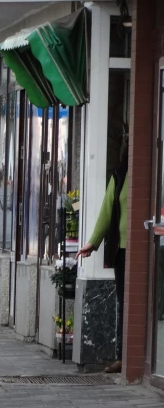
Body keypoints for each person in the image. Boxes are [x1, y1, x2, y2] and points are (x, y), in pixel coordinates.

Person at [77, 144, 129, 373]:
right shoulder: (119, 176)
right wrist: (93, 242)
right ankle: (123, 356)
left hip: (155, 249)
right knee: (124, 304)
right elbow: (107, 210)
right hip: (124, 250)